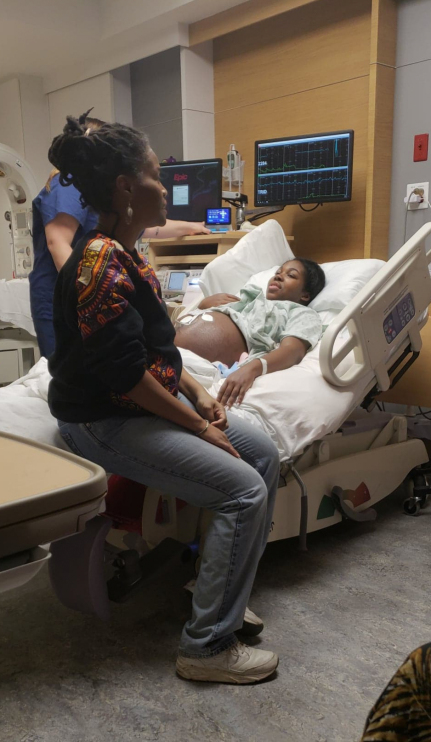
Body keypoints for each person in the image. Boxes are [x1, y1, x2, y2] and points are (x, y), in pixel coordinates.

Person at [47, 113, 281, 684]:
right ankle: (206, 647)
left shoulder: (129, 253)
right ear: (127, 188)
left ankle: (212, 589)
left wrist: (199, 394)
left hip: (134, 402)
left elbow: (157, 349)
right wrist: (200, 428)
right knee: (243, 491)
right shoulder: (98, 264)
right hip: (102, 418)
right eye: (158, 175)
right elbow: (127, 377)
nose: (167, 186)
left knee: (263, 455)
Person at [29, 113, 210, 358]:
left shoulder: (111, 210)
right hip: (61, 294)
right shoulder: (67, 185)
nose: (163, 189)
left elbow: (145, 226)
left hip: (89, 287)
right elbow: (57, 242)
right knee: (76, 362)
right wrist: (88, 292)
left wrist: (191, 227)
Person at [175, 258, 325, 408]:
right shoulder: (247, 299)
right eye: (278, 272)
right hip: (169, 348)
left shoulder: (302, 313)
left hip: (187, 364)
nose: (278, 276)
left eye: (291, 275)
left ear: (305, 295)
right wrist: (203, 305)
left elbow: (293, 350)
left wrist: (252, 369)